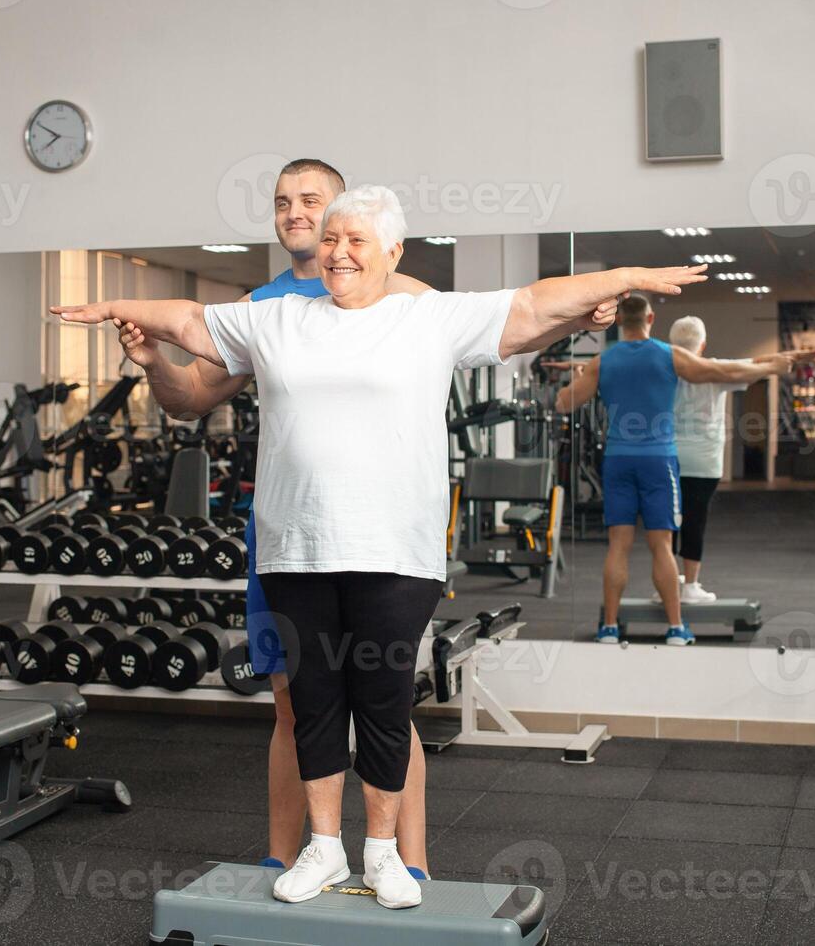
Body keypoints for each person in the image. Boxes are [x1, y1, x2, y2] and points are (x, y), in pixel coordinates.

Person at [54, 184, 703, 908]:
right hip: (296, 549)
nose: (338, 252)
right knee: (315, 702)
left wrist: (624, 280)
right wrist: (117, 308)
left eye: (356, 240)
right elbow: (185, 319)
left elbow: (529, 305)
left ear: (393, 251)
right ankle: (325, 848)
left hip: (396, 552)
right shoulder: (277, 320)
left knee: (385, 704)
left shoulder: (426, 317)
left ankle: (386, 853)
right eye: (331, 240)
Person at [106, 159, 437, 880]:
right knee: (293, 699)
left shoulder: (398, 290)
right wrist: (152, 359)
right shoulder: (262, 305)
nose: (294, 212)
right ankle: (286, 858)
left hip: (380, 535)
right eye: (283, 201)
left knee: (387, 698)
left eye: (310, 200)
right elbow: (191, 397)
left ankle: (410, 864)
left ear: (346, 215)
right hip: (288, 535)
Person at [557, 296, 789, 645]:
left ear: (618, 320)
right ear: (650, 317)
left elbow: (565, 403)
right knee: (661, 546)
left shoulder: (602, 362)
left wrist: (578, 378)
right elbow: (721, 371)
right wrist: (770, 367)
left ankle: (608, 626)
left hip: (618, 459)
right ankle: (676, 628)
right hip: (658, 460)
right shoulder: (669, 354)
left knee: (617, 546)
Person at [666, 315, 804, 601]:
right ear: (702, 344)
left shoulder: (663, 368)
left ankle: (666, 583)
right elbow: (752, 366)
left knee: (668, 523)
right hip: (704, 462)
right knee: (695, 519)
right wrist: (783, 360)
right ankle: (690, 585)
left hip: (668, 457)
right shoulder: (716, 369)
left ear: (671, 344)